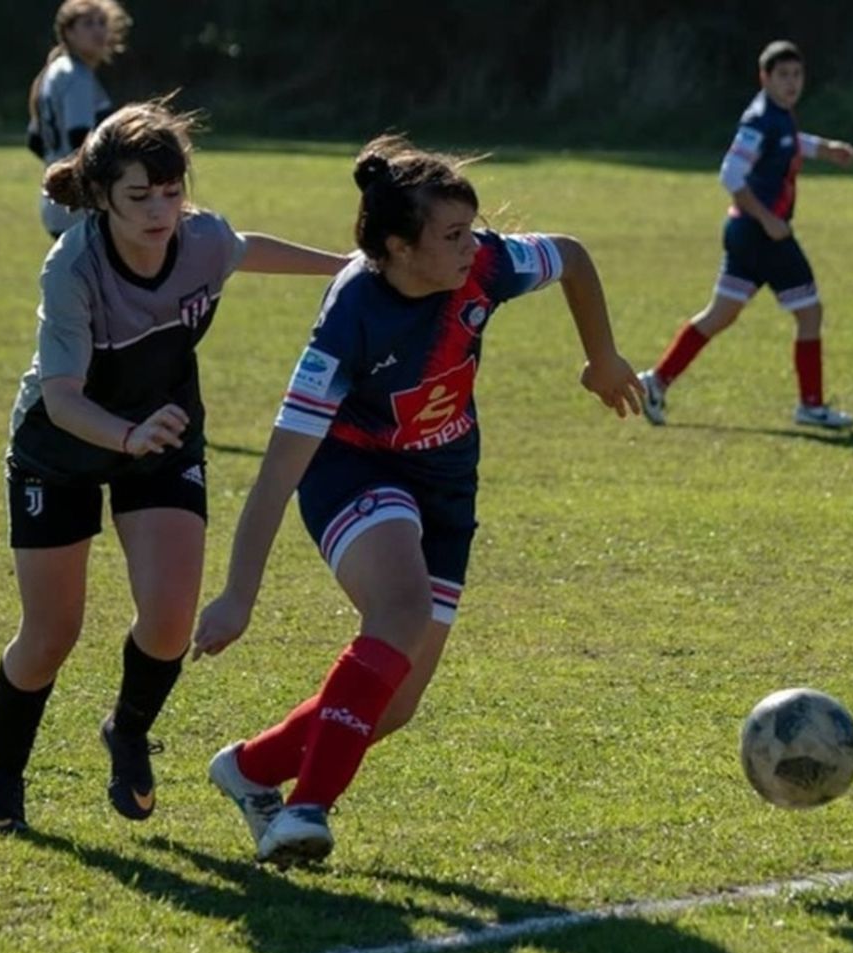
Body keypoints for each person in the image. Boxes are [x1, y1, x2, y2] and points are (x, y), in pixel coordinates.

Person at [190, 135, 644, 867]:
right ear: (398, 248)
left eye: (473, 230)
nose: (475, 248)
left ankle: (248, 770)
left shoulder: (486, 266)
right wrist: (238, 594)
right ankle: (306, 810)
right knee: (398, 613)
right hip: (353, 473)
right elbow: (277, 472)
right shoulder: (348, 324)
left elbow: (572, 254)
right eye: (454, 235)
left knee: (393, 706)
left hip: (447, 483)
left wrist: (603, 358)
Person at [0, 99, 351, 834]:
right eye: (138, 196)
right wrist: (127, 434)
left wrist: (348, 270)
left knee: (171, 616)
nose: (159, 211)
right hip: (62, 446)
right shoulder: (72, 270)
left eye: (171, 191)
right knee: (52, 633)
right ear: (101, 198)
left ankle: (127, 729)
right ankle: (3, 778)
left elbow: (243, 247)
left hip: (163, 435)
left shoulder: (201, 240)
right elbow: (60, 399)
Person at [637, 40, 853, 430]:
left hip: (744, 233)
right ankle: (811, 406)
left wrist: (827, 149)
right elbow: (730, 174)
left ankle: (655, 382)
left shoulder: (779, 115)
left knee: (720, 314)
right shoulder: (759, 120)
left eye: (797, 75)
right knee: (810, 312)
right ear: (765, 78)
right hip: (761, 235)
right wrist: (768, 219)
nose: (792, 83)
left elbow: (790, 142)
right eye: (783, 76)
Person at [26, 0, 132, 238]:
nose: (98, 30)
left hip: (57, 202)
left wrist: (57, 171)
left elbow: (34, 141)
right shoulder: (76, 76)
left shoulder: (55, 71)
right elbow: (80, 140)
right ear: (68, 32)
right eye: (87, 23)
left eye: (102, 22)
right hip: (81, 205)